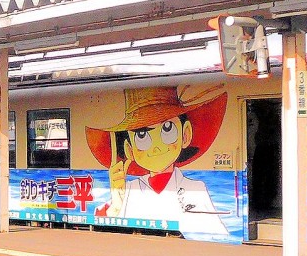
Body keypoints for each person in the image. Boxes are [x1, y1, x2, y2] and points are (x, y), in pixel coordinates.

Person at [86, 86, 230, 236]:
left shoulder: (195, 188)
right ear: (130, 149)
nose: (156, 148)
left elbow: (215, 231)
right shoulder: (127, 189)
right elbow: (100, 221)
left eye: (168, 129)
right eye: (141, 135)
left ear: (185, 134)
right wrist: (116, 205)